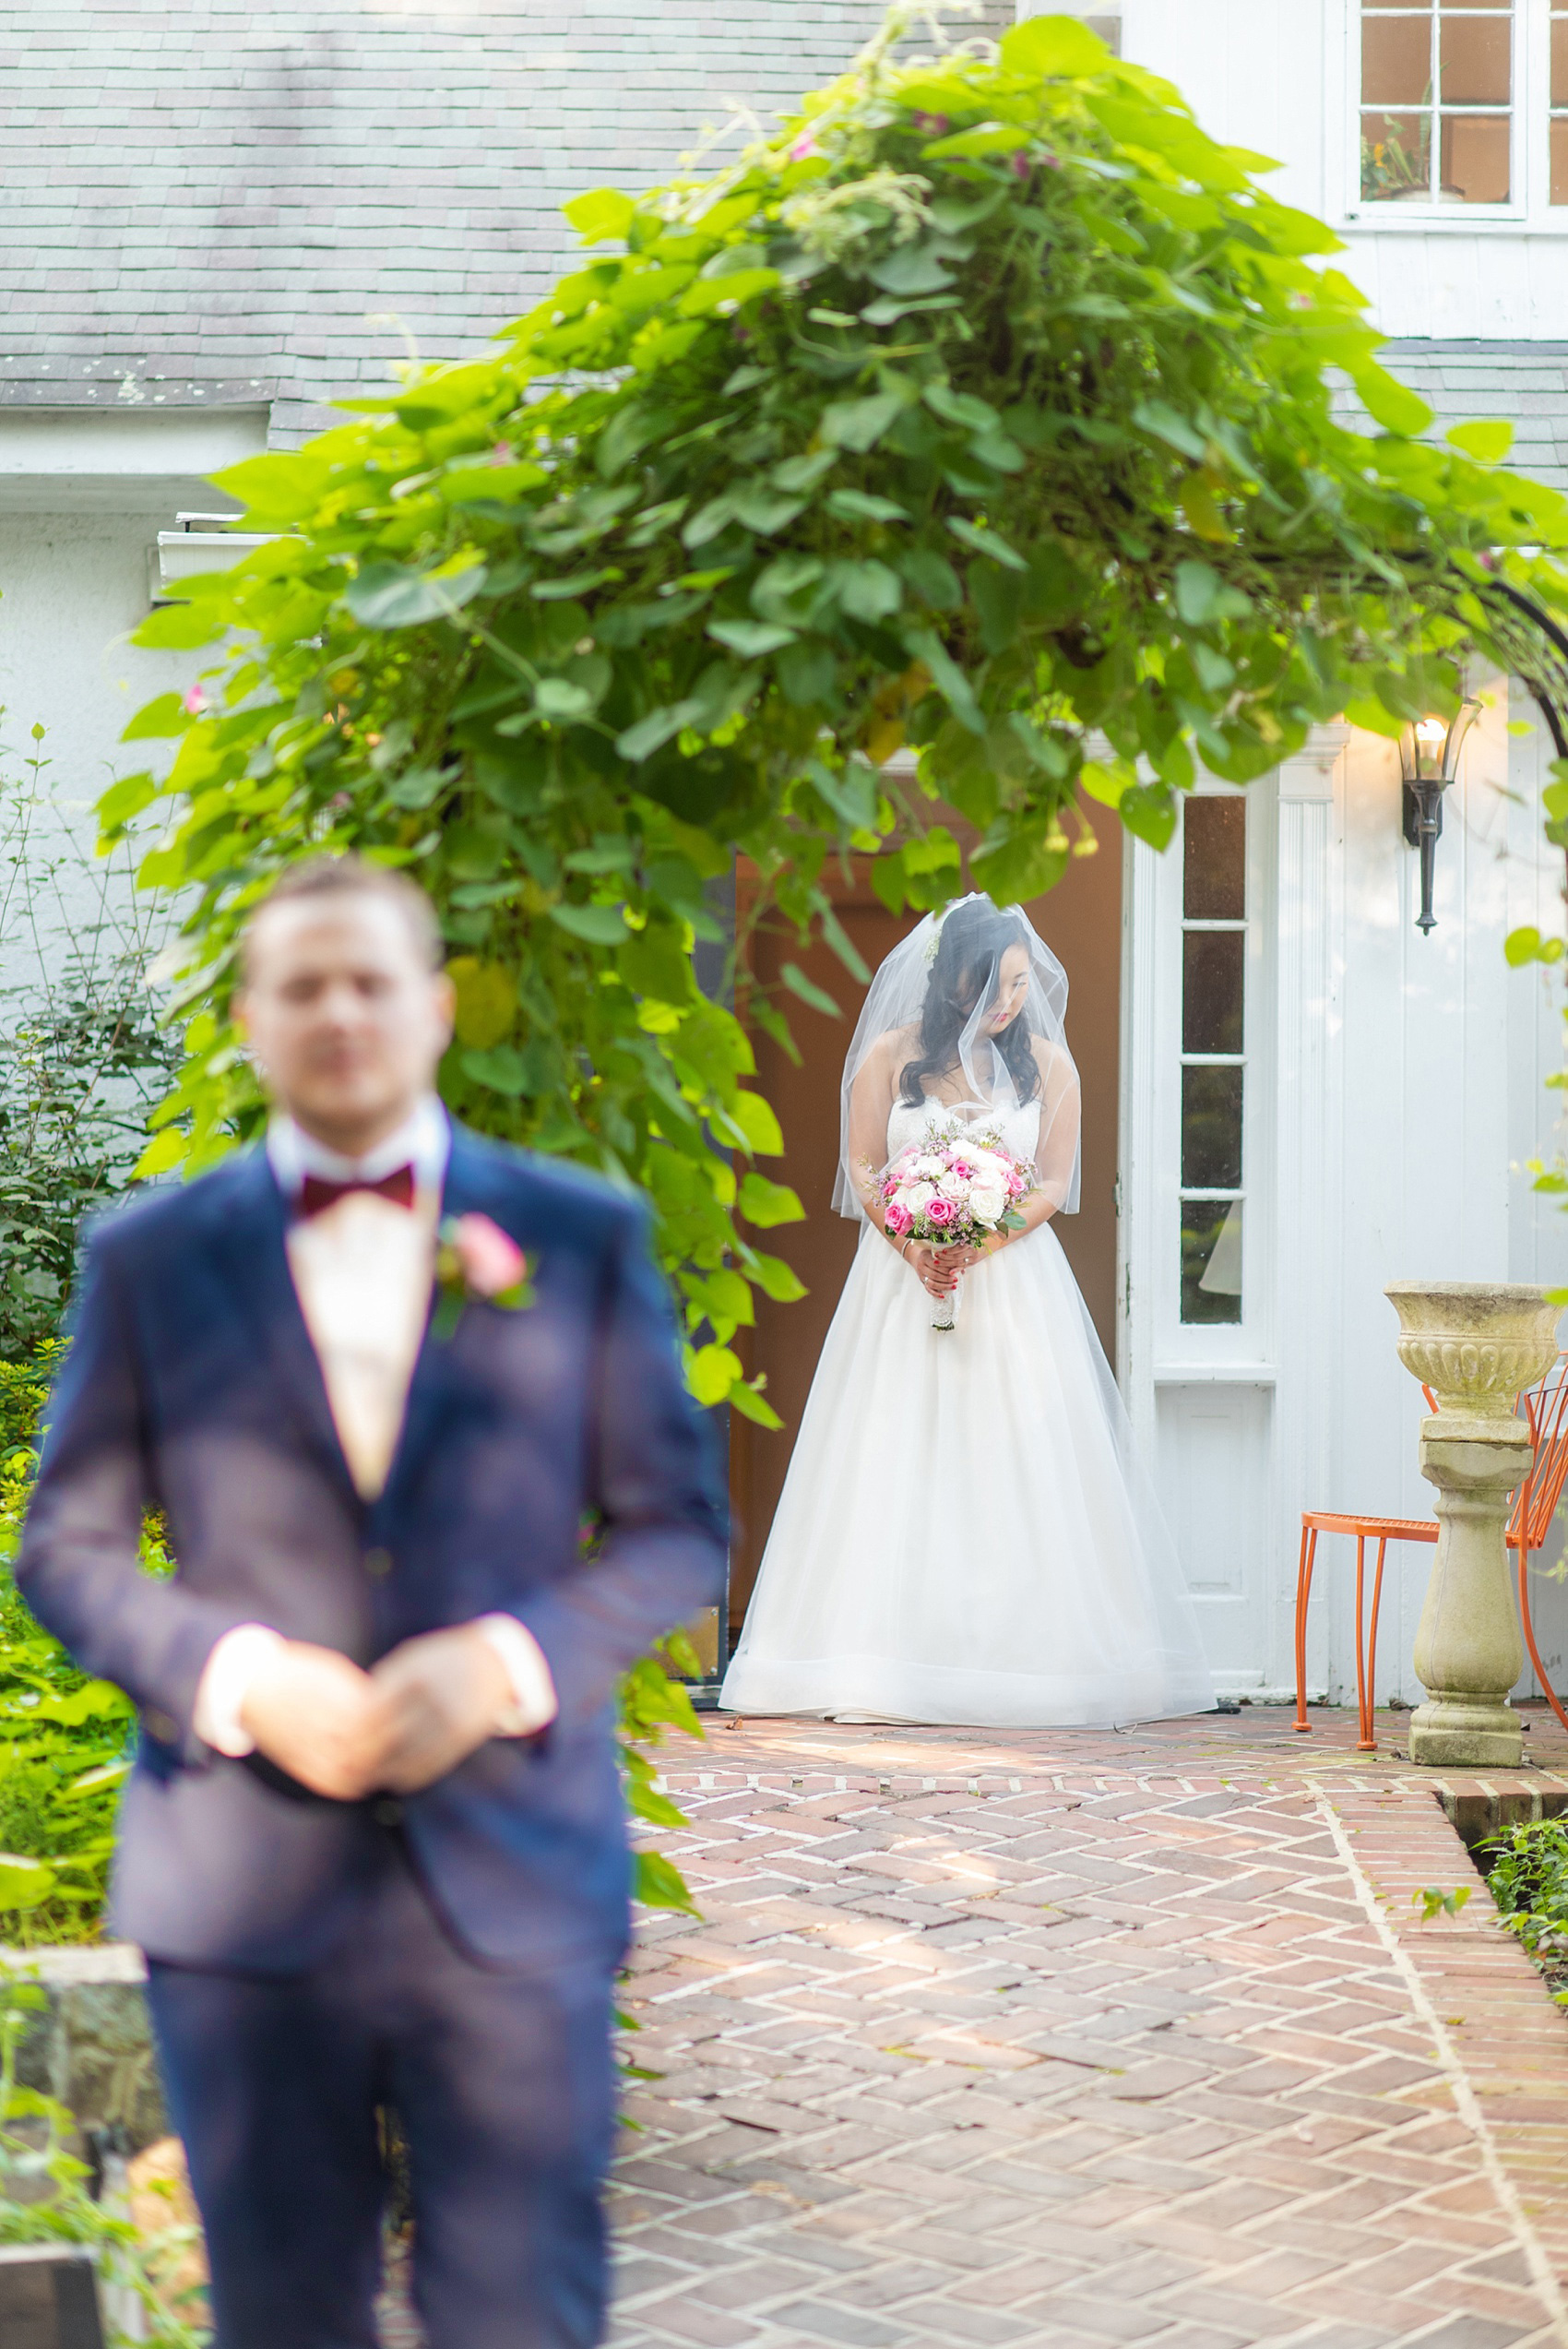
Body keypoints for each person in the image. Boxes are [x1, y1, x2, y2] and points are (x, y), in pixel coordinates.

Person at [18, 856, 726, 2349]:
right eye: (301, 985)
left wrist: (513, 1658)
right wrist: (232, 1671)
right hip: (240, 1886)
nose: (339, 1010)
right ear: (250, 1019)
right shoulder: (149, 1256)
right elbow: (67, 1546)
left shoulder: (578, 1236)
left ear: (438, 1007)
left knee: (521, 2312)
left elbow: (675, 1531)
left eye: (370, 980)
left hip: (512, 1888)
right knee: (280, 2318)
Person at [720, 892, 1213, 1727]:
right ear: (955, 980)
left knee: (1015, 1461)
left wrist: (979, 1242)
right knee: (889, 1453)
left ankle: (1018, 1658)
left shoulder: (1053, 1069)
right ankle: (878, 1655)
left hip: (1015, 1286)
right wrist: (915, 1244)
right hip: (898, 1285)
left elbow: (1054, 1184)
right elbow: (863, 1166)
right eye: (997, 985)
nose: (1012, 1003)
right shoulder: (889, 1055)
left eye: (1022, 986)